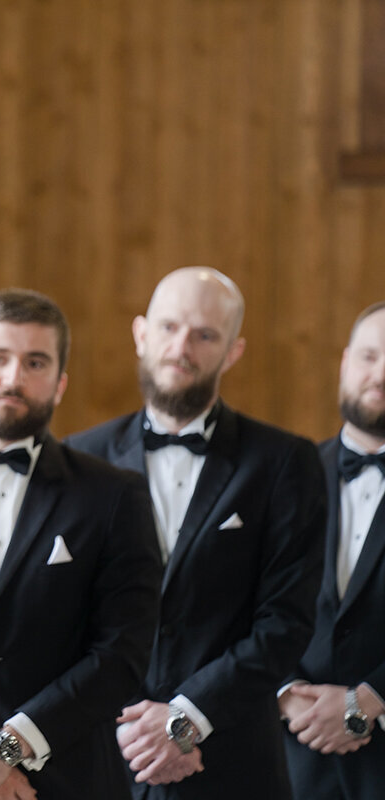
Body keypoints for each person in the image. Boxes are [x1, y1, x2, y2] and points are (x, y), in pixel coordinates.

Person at [65, 267, 325, 799]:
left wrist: (183, 721)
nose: (181, 347)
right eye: (169, 327)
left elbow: (286, 622)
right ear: (141, 333)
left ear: (233, 351)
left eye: (205, 335)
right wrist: (136, 731)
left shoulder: (282, 462)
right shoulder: (78, 458)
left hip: (231, 764)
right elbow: (63, 620)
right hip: (103, 764)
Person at [0, 289, 162, 800]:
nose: (13, 378)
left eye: (35, 362)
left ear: (60, 383)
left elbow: (123, 652)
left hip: (68, 779)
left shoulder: (115, 495)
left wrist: (7, 750)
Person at [278, 301, 385, 798]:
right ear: (345, 362)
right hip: (286, 758)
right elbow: (244, 600)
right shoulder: (285, 477)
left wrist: (372, 698)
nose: (379, 374)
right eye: (369, 356)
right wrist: (284, 694)